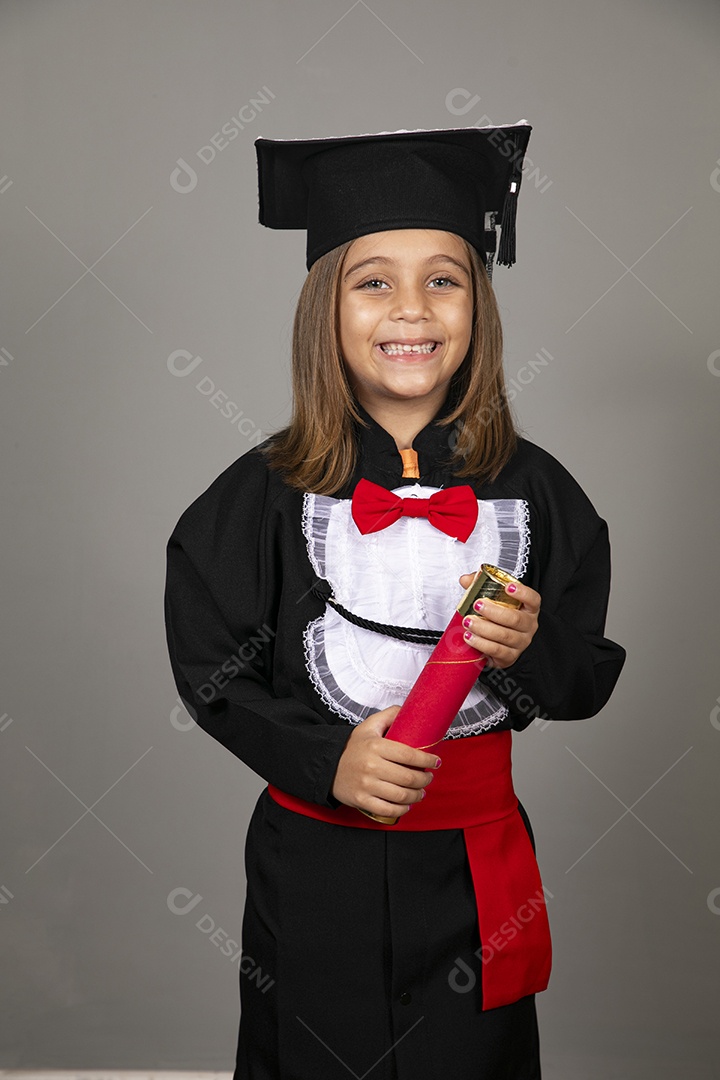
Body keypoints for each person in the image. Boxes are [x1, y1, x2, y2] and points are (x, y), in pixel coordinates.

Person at [164, 124, 626, 1080]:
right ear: (323, 311)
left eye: (444, 278)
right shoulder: (263, 492)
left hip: (474, 865)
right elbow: (211, 668)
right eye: (372, 281)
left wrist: (528, 647)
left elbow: (583, 679)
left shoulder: (538, 492)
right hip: (315, 868)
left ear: (478, 304)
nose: (410, 309)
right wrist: (328, 756)